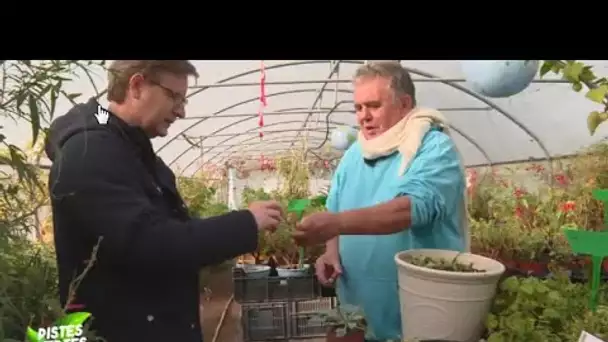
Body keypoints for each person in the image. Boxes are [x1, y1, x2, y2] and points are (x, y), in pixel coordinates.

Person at [44, 60, 283, 342]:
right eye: (174, 97)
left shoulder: (129, 149)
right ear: (136, 86)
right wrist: (246, 223)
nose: (181, 111)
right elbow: (150, 243)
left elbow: (171, 231)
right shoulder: (90, 153)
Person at [293, 61, 468, 340]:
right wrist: (331, 252)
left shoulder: (431, 147)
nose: (364, 116)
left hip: (416, 320)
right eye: (358, 108)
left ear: (405, 103)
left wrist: (336, 223)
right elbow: (335, 205)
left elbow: (409, 210)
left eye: (374, 105)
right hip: (357, 312)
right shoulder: (355, 154)